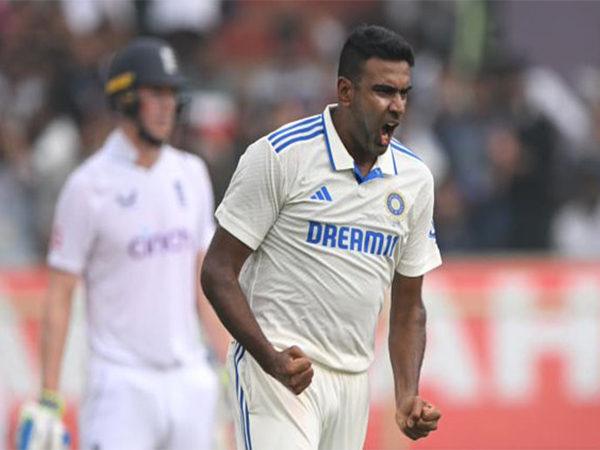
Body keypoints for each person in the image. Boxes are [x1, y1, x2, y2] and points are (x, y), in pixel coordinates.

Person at [201, 24, 442, 450]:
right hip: (277, 372)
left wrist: (406, 392)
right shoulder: (280, 156)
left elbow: (408, 308)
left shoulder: (414, 180)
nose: (398, 106)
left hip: (352, 384)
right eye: (384, 91)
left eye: (405, 93)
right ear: (346, 92)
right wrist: (270, 360)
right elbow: (218, 271)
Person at [16, 37, 223, 450]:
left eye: (172, 94)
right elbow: (60, 294)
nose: (168, 106)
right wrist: (50, 397)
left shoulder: (192, 173)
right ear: (124, 99)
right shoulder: (87, 187)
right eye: (155, 93)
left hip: (189, 379)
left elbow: (204, 280)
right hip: (121, 383)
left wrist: (231, 362)